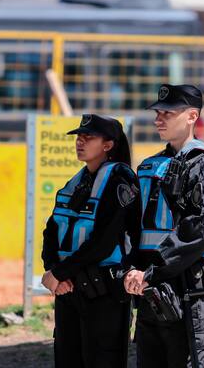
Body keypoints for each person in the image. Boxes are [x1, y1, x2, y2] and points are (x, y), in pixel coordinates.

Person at [123, 84, 204, 368]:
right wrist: (133, 271)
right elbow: (133, 224)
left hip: (185, 289)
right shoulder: (149, 166)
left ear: (192, 116)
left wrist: (152, 271)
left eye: (168, 113)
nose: (158, 119)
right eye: (157, 113)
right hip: (148, 287)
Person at [41, 114, 140, 368]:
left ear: (108, 145)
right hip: (69, 290)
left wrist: (59, 273)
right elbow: (51, 230)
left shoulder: (120, 181)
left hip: (103, 293)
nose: (80, 142)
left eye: (88, 137)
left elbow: (103, 243)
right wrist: (53, 270)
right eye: (78, 137)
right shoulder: (77, 182)